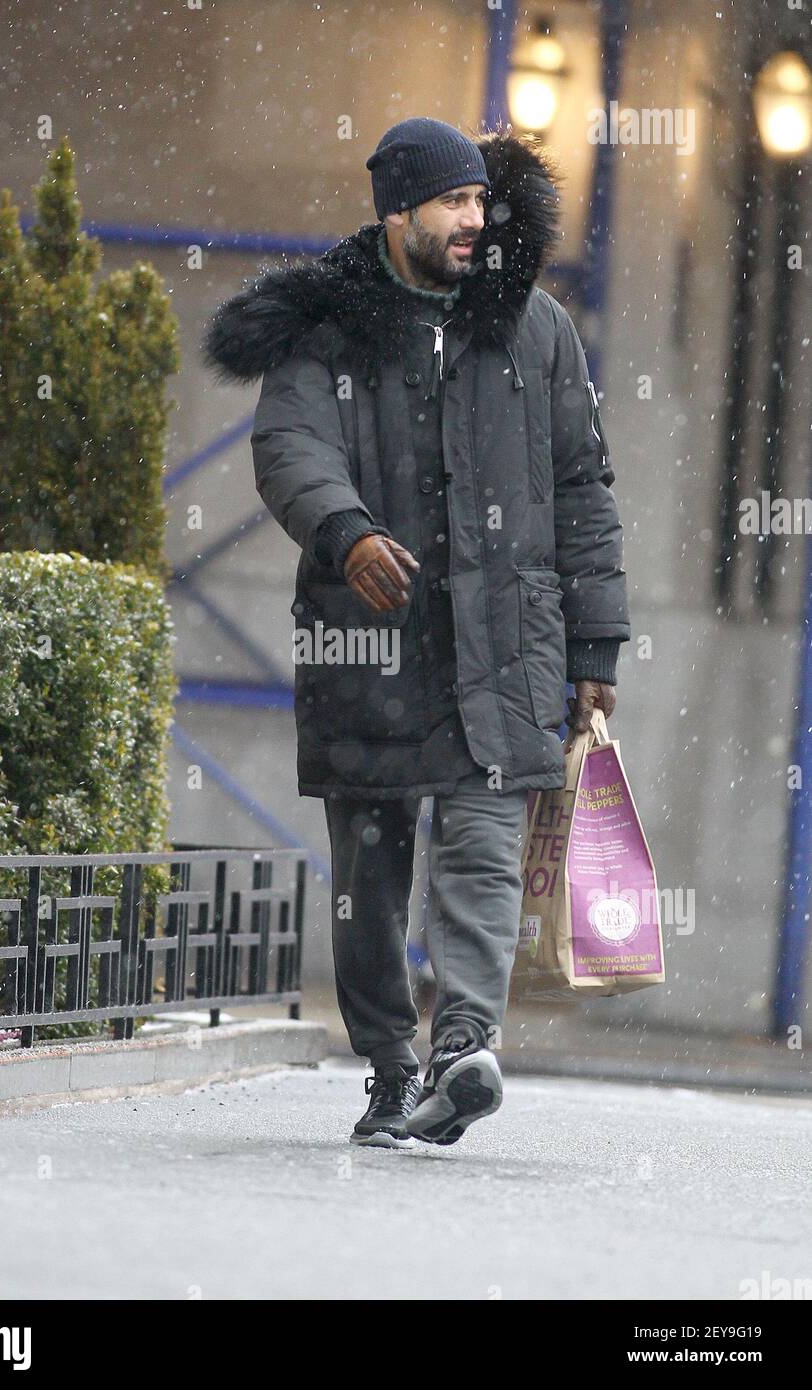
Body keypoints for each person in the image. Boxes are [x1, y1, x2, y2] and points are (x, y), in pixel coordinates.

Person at [203, 117, 630, 1148]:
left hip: (505, 647)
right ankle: (391, 1068)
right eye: (450, 203)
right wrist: (344, 531)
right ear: (394, 212)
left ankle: (463, 1047)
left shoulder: (536, 330)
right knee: (370, 873)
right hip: (370, 640)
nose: (473, 221)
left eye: (482, 202)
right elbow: (290, 443)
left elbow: (582, 490)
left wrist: (593, 650)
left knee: (482, 851)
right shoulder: (328, 328)